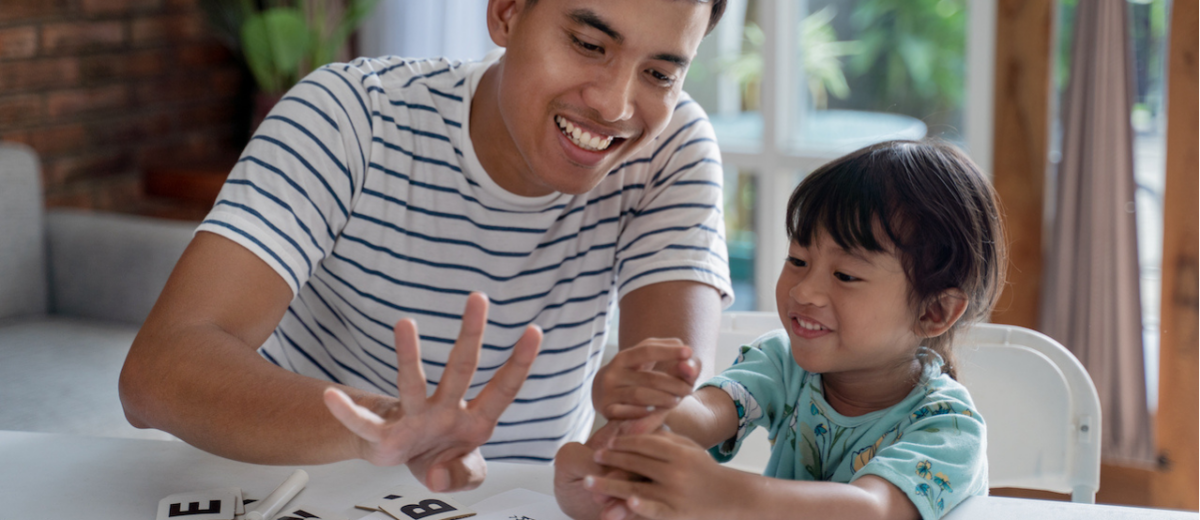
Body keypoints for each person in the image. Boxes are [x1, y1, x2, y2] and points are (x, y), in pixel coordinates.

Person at [118, 0, 733, 494]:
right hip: (295, 493)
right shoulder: (351, 115)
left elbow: (666, 413)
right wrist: (384, 427)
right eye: (589, 44)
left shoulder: (670, 150)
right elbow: (158, 373)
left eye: (659, 73)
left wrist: (639, 426)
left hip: (520, 503)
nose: (616, 104)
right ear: (507, 12)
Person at [555, 140, 1007, 520]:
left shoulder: (949, 429)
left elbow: (871, 509)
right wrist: (643, 404)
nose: (804, 291)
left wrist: (729, 494)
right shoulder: (782, 363)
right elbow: (702, 417)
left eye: (845, 275)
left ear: (934, 312)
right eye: (797, 260)